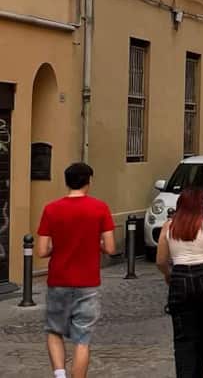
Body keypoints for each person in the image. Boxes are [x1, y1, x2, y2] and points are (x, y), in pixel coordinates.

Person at [35, 161, 116, 378]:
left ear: (67, 182)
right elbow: (110, 247)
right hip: (88, 282)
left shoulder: (51, 209)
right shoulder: (100, 208)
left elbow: (41, 250)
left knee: (54, 331)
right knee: (82, 339)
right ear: (88, 182)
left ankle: (60, 375)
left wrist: (59, 246)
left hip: (58, 279)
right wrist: (95, 244)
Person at [156, 186, 203, 377]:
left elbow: (161, 261)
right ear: (200, 205)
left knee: (183, 338)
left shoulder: (169, 226)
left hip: (179, 278)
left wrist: (168, 275)